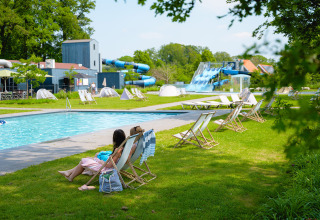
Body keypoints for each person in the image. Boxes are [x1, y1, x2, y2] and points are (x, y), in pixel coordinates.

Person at [58, 129, 126, 182]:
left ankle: (70, 177)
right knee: (89, 159)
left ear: (115, 138)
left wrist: (102, 162)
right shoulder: (124, 147)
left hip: (107, 169)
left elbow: (110, 165)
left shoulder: (118, 150)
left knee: (83, 161)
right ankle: (69, 172)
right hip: (112, 167)